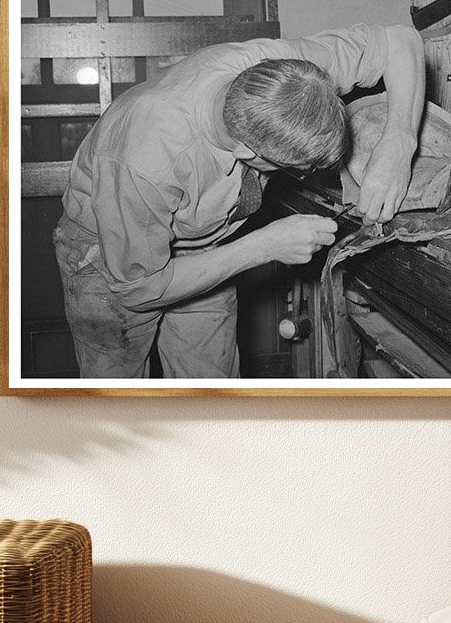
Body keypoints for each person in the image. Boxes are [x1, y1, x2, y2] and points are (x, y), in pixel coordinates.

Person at [54, 23, 424, 378]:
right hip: (112, 255)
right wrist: (263, 247)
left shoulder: (284, 74)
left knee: (211, 386)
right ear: (245, 153)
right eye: (295, 169)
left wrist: (399, 142)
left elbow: (398, 41)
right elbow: (140, 289)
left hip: (204, 241)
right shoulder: (145, 158)